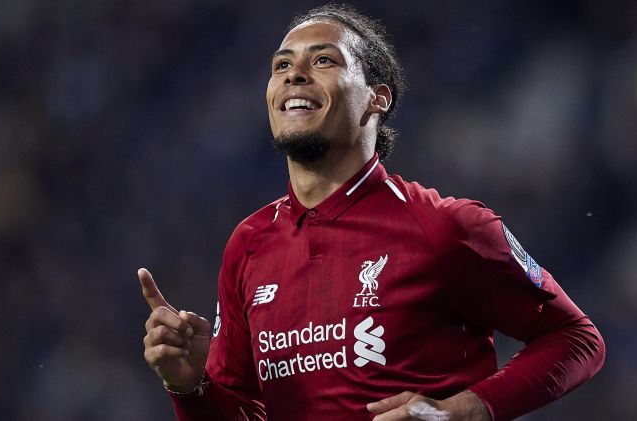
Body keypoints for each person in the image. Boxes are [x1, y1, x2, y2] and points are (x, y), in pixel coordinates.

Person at [138, 4, 605, 421]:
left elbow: (577, 339)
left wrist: (466, 410)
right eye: (281, 65)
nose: (293, 75)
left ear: (377, 98)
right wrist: (190, 388)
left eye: (323, 60)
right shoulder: (248, 244)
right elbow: (241, 410)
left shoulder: (445, 226)